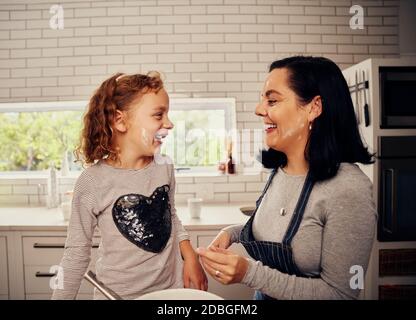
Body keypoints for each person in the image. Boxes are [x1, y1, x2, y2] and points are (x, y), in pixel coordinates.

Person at [197, 56, 377, 300]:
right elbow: (284, 231)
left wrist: (249, 273)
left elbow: (341, 294)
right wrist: (233, 233)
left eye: (272, 100)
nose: (259, 109)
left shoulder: (348, 188)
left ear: (314, 108)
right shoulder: (280, 171)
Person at [52, 72, 207, 300]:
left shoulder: (164, 166)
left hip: (169, 293)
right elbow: (76, 254)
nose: (169, 123)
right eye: (158, 115)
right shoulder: (93, 182)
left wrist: (190, 255)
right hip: (116, 295)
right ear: (120, 120)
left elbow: (169, 216)